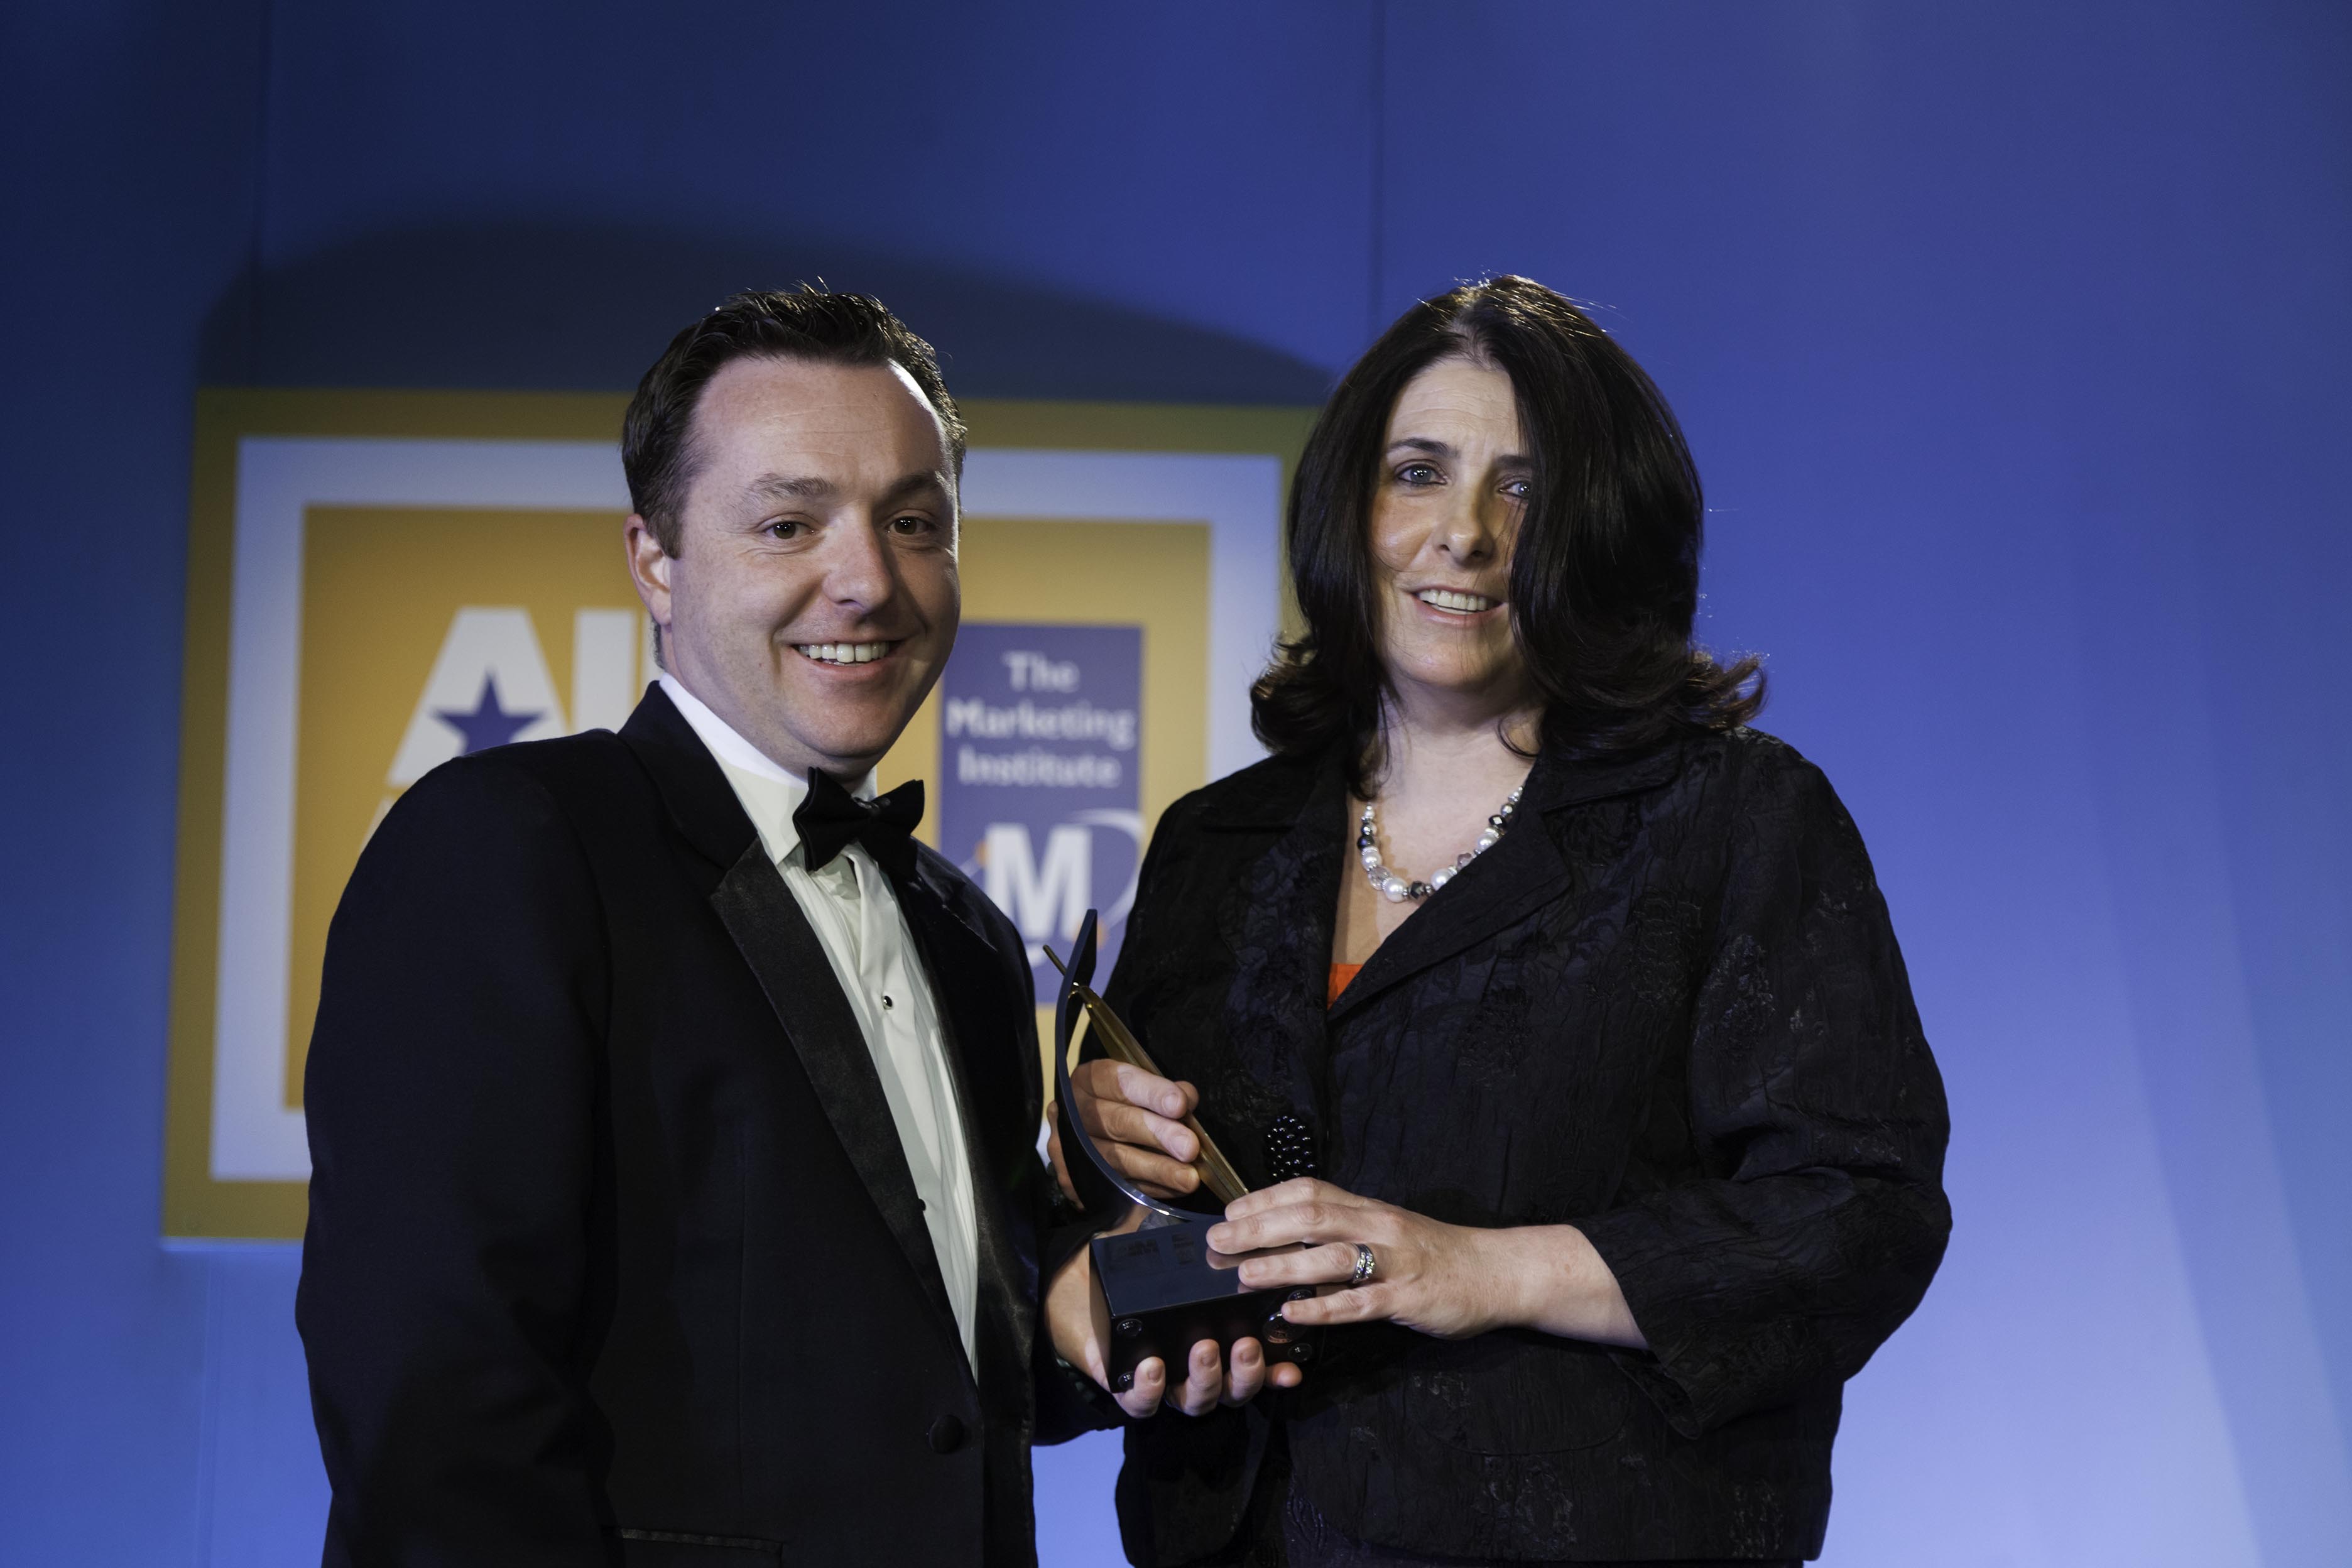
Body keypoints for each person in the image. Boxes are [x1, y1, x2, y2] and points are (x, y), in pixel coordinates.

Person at [1066, 276, 1952, 1567]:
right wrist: (1105, 1164)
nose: (1465, 534)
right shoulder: (1217, 841)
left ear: (1605, 530)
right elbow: (1139, 1245)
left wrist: (1480, 1270)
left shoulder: (1736, 821)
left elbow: (1861, 1213)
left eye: (1524, 489)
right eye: (1417, 473)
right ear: (1347, 506)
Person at [298, 288, 1116, 1567]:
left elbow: (939, 1386)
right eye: (790, 525)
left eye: (914, 523)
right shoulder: (508, 848)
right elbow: (436, 1412)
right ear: (655, 562)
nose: (868, 581)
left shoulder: (968, 937)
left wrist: (1121, 1294)